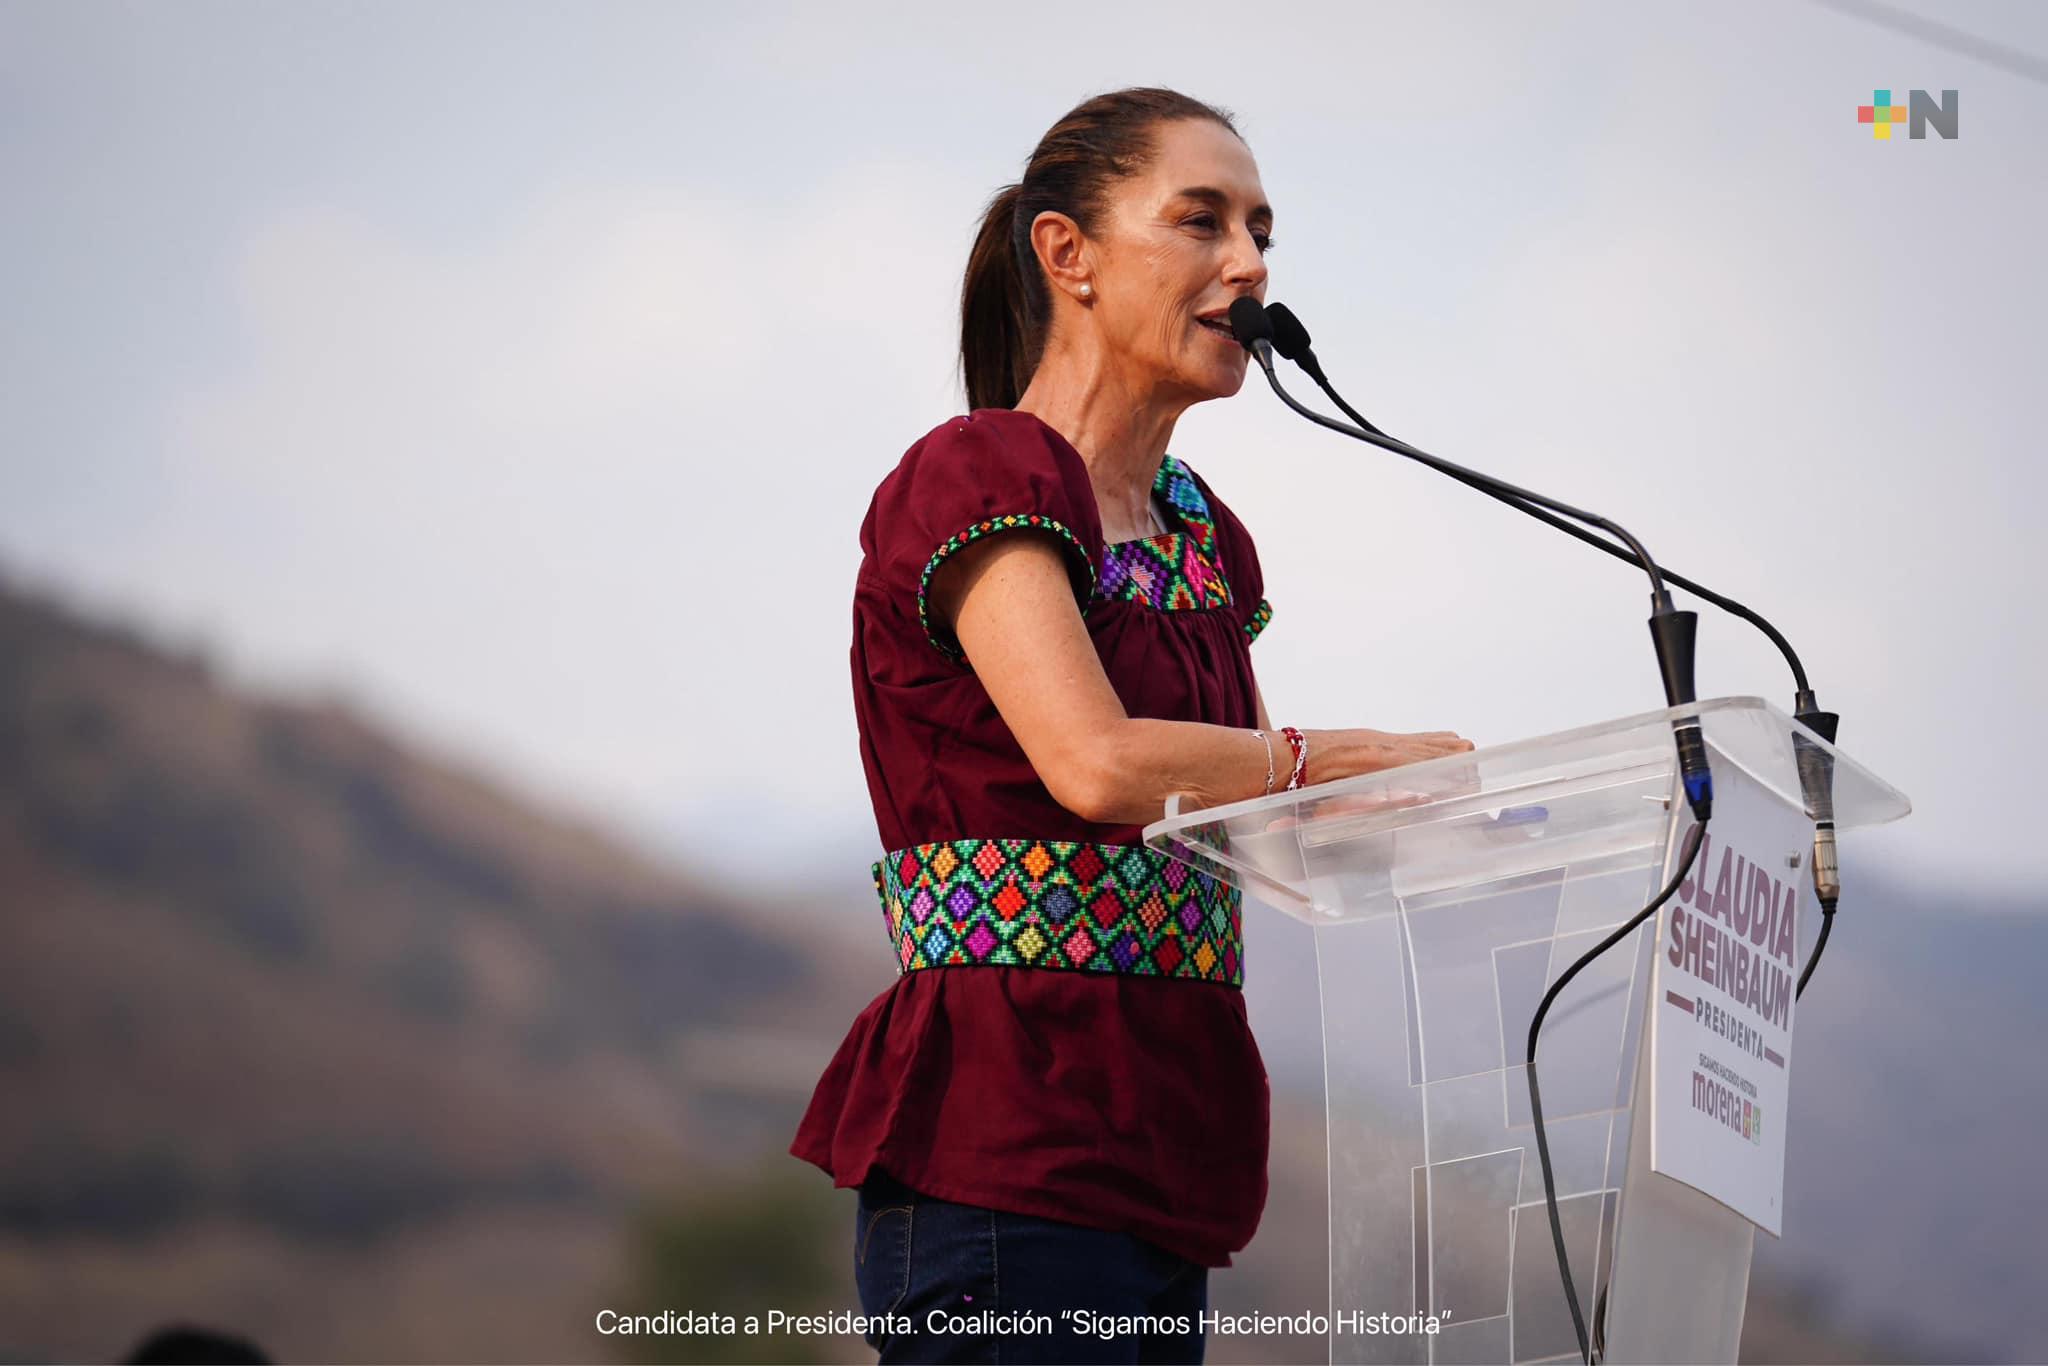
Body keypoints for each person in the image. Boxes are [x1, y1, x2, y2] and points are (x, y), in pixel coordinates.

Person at [789, 86, 1474, 1365]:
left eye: (1261, 231)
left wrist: (1470, 818)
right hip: (1008, 1141)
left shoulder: (1202, 533)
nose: (1249, 263)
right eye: (1201, 220)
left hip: (1164, 1151)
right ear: (1069, 255)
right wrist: (1332, 755)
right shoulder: (979, 472)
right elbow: (1096, 763)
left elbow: (1258, 824)